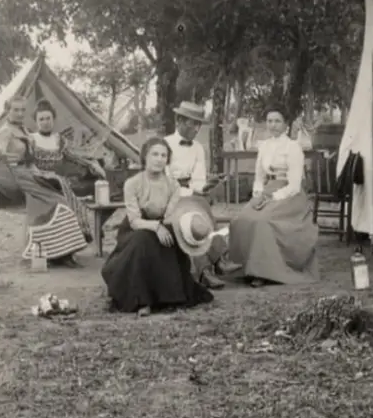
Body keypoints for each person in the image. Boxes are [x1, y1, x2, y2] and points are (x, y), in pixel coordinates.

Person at [101, 137, 214, 316]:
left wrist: (160, 227)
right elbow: (134, 220)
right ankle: (141, 300)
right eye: (155, 154)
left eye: (163, 155)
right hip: (135, 229)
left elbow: (169, 216)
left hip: (165, 226)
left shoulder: (173, 185)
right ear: (145, 156)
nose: (159, 159)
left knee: (163, 240)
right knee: (142, 240)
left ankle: (165, 297)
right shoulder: (132, 183)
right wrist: (154, 227)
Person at [0, 96, 92, 267]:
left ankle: (61, 253)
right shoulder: (5, 130)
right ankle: (58, 253)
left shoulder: (23, 129)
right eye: (16, 110)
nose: (20, 113)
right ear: (7, 111)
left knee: (61, 204)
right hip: (20, 175)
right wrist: (0, 156)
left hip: (32, 173)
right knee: (60, 204)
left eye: (22, 110)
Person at [228, 106, 319, 287]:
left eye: (277, 121)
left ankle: (264, 271)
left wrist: (272, 198)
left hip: (289, 195)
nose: (273, 125)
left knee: (263, 221)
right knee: (243, 218)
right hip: (268, 189)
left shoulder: (293, 148)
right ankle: (248, 265)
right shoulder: (265, 146)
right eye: (269, 121)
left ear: (286, 125)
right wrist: (257, 195)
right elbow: (259, 176)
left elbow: (294, 185)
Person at [164, 101, 236, 289]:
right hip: (170, 196)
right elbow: (165, 180)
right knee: (189, 218)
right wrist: (190, 192)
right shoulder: (165, 144)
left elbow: (198, 177)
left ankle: (218, 261)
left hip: (190, 194)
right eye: (192, 124)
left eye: (199, 125)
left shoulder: (197, 148)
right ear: (179, 121)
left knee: (201, 206)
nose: (196, 129)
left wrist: (204, 187)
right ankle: (205, 270)